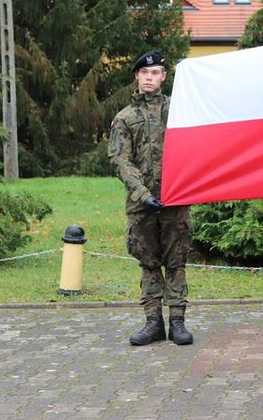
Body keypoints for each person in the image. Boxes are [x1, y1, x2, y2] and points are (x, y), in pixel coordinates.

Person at [108, 50, 194, 346]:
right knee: (148, 262)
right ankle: (153, 322)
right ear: (136, 76)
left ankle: (177, 322)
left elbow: (194, 151)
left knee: (176, 261)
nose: (149, 77)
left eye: (155, 72)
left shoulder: (181, 112)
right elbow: (120, 160)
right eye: (145, 73)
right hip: (141, 204)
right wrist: (142, 194)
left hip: (175, 200)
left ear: (164, 77)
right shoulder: (125, 118)